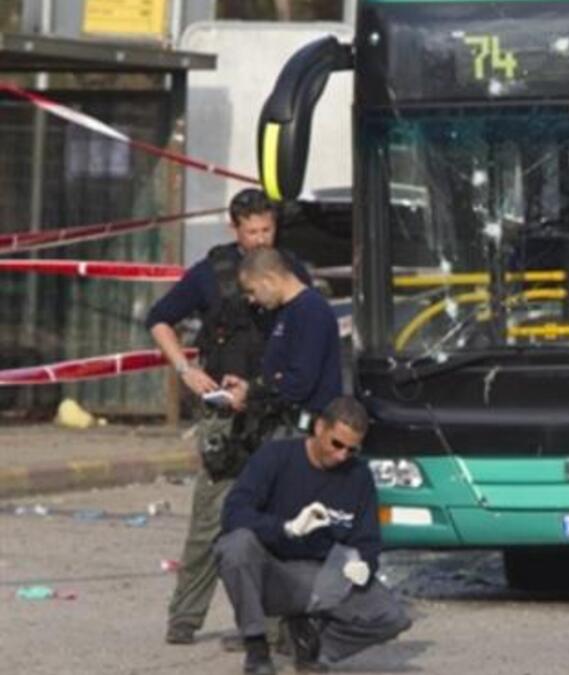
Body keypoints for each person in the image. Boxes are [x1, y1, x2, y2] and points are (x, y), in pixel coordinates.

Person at [147, 188, 311, 647]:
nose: (260, 239)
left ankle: (273, 623)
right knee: (211, 519)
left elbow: (309, 324)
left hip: (272, 408)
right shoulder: (211, 274)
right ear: (234, 229)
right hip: (224, 415)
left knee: (275, 520)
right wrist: (186, 370)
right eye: (252, 231)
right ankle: (185, 619)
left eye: (267, 230)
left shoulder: (289, 271)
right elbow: (160, 319)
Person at [215, 396, 410, 674]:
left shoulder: (359, 476)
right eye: (337, 444)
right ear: (319, 428)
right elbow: (233, 513)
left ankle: (312, 646)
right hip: (270, 572)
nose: (342, 455)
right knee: (235, 546)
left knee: (391, 616)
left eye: (351, 449)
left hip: (320, 577)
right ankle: (256, 645)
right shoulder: (275, 457)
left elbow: (367, 539)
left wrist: (364, 563)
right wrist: (286, 528)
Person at [222, 247, 342, 431]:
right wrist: (249, 387)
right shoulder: (285, 312)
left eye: (252, 291)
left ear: (269, 280)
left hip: (307, 431)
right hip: (287, 426)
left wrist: (252, 391)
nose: (252, 300)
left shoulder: (310, 311)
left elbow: (299, 382)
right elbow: (280, 373)